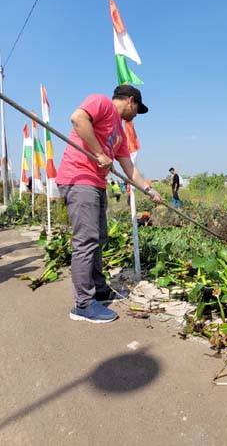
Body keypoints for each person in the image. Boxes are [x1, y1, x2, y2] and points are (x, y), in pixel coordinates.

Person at [57, 85, 162, 323]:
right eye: (137, 110)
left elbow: (129, 168)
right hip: (78, 178)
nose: (135, 115)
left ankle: (98, 289)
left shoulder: (120, 133)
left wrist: (149, 190)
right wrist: (100, 153)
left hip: (95, 183)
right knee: (85, 241)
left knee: (99, 237)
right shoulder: (101, 102)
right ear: (131, 101)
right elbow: (77, 118)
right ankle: (83, 304)